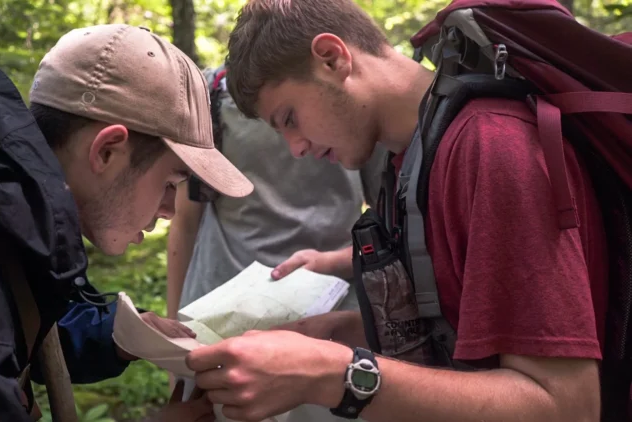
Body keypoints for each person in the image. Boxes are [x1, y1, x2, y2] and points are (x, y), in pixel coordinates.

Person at [184, 1, 608, 422]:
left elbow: (568, 406)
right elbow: (459, 334)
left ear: (332, 59)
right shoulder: (407, 161)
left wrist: (335, 374)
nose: (297, 149)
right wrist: (345, 337)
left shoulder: (491, 147)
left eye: (290, 118)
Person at [0, 24, 252, 421]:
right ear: (107, 151)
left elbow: (19, 312)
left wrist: (118, 334)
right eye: (170, 183)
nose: (170, 210)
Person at [166, 64, 385, 421]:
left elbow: (389, 225)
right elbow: (184, 219)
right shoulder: (210, 96)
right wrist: (175, 333)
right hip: (222, 316)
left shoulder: (355, 99)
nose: (297, 144)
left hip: (328, 320)